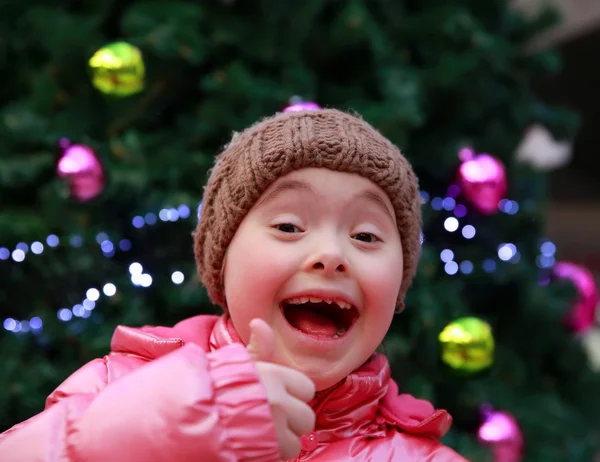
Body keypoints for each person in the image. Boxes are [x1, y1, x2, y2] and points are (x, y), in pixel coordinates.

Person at [0, 109, 467, 461]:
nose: (332, 255)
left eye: (366, 236)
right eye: (288, 226)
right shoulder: (117, 388)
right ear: (223, 263)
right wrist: (152, 426)